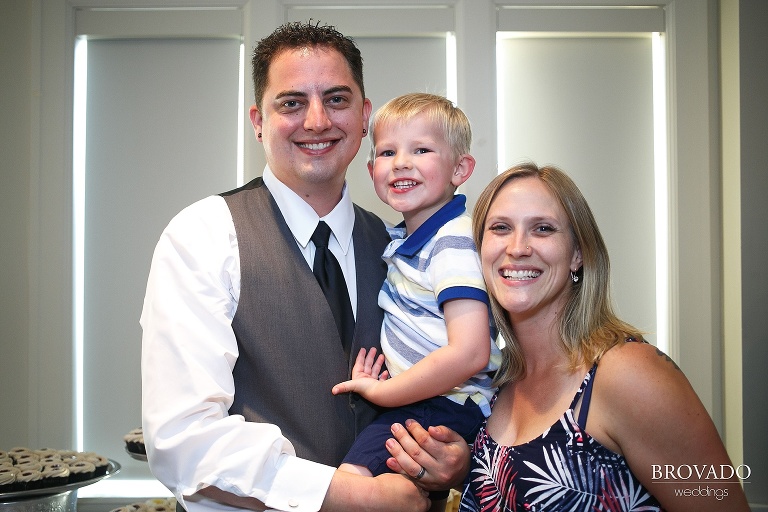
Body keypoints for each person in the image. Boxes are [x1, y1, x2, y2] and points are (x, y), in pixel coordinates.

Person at [141, 21, 468, 512]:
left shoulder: (403, 248)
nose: (317, 121)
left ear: (364, 116)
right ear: (258, 120)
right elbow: (183, 443)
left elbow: (462, 376)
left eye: (336, 100)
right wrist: (354, 496)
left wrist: (453, 462)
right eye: (291, 103)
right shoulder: (204, 236)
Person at [456, 162, 750, 511]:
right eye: (501, 228)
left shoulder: (627, 373)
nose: (518, 247)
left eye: (543, 229)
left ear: (577, 255)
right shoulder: (492, 382)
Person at [330, 93, 501, 509]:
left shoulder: (452, 240)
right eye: (388, 152)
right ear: (372, 171)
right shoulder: (402, 239)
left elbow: (471, 351)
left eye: (421, 150)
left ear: (460, 168)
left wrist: (384, 393)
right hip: (430, 399)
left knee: (351, 484)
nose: (401, 162)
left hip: (444, 401)